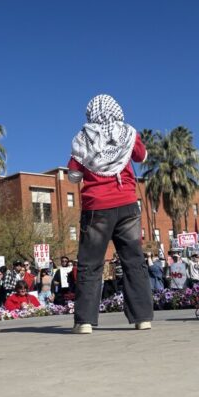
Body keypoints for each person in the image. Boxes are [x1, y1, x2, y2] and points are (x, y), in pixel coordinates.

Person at [67, 94, 154, 333]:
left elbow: (73, 175)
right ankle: (142, 318)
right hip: (127, 203)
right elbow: (142, 156)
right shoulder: (128, 133)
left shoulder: (82, 137)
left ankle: (84, 321)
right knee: (133, 261)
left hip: (96, 207)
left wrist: (90, 169)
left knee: (90, 264)